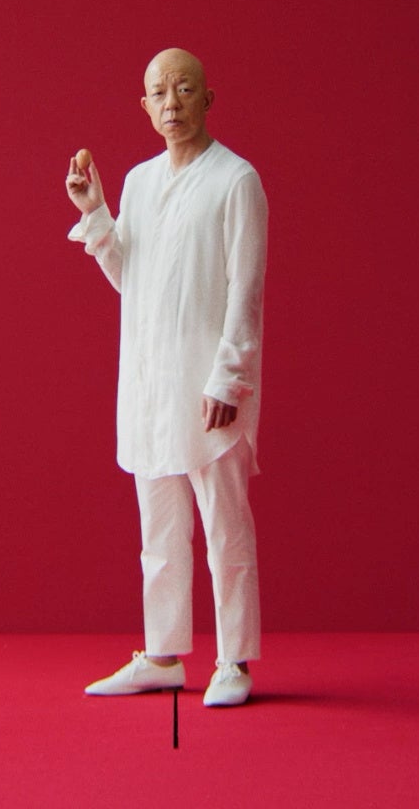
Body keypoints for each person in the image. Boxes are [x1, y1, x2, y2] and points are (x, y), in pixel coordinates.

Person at [65, 47, 268, 708]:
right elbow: (133, 280)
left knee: (225, 526)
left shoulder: (236, 181)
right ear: (145, 106)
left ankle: (234, 659)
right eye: (159, 92)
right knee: (158, 527)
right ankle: (161, 653)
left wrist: (228, 379)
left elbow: (246, 291)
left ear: (208, 98)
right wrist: (97, 214)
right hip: (150, 380)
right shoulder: (140, 183)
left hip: (208, 385)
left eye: (184, 89)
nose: (172, 103)